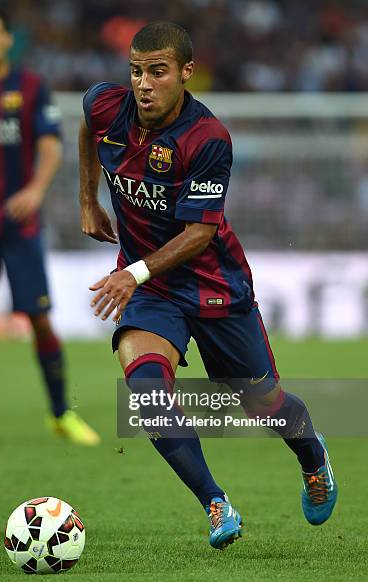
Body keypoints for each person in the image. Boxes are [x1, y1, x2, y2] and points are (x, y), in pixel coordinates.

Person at [79, 21, 337, 549]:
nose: (143, 84)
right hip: (152, 292)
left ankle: (313, 456)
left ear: (186, 73)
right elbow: (87, 123)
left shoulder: (209, 137)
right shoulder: (107, 106)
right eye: (136, 72)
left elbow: (200, 232)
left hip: (213, 285)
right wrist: (87, 200)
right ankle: (216, 503)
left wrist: (133, 272)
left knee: (263, 404)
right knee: (147, 394)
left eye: (157, 72)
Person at [0, 9, 99, 446]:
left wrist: (36, 190)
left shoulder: (32, 87)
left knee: (38, 318)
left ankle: (61, 415)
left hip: (20, 222)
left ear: (7, 40)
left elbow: (51, 144)